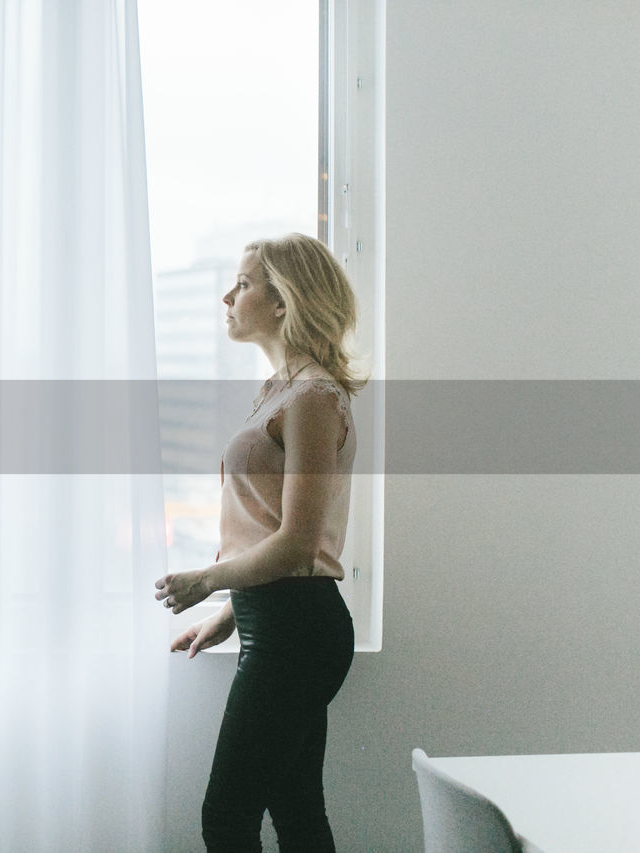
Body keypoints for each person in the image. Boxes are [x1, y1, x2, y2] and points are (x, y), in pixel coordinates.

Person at [153, 233, 367, 852]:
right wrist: (228, 612)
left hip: (297, 632)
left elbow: (300, 542)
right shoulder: (281, 391)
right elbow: (270, 529)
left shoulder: (314, 397)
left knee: (227, 816)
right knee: (298, 813)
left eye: (243, 283)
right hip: (279, 623)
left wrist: (206, 581)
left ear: (283, 302)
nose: (228, 294)